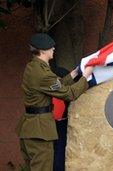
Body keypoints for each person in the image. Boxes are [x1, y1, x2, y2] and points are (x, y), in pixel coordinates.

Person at [16, 33, 94, 171]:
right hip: (39, 131)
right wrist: (86, 77)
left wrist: (74, 73)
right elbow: (69, 94)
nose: (53, 49)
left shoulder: (34, 67)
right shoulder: (43, 73)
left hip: (31, 127)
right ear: (43, 51)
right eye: (50, 47)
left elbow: (56, 85)